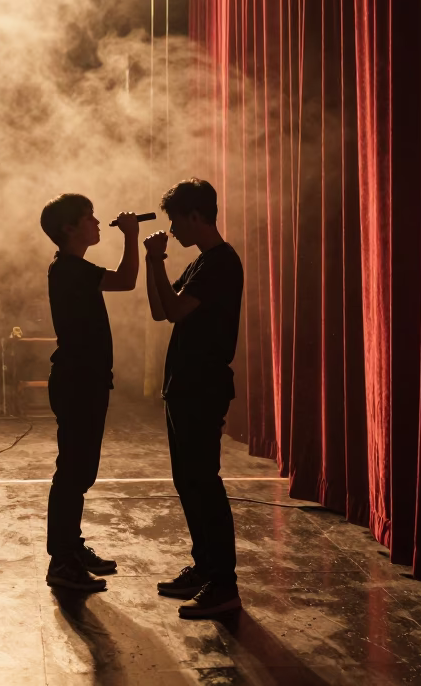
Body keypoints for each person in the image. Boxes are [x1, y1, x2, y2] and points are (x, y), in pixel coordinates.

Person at [143, 178, 244, 618]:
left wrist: (155, 259)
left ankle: (224, 585)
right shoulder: (202, 263)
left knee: (203, 482)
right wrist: (153, 263)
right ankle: (206, 569)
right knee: (190, 482)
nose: (173, 229)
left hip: (202, 386)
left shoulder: (220, 263)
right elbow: (160, 309)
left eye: (176, 219)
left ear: (196, 216)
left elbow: (177, 309)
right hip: (185, 386)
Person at [39, 193, 139, 591]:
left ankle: (71, 547)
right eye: (89, 218)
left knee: (79, 471)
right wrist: (132, 237)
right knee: (74, 472)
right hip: (77, 381)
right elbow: (127, 280)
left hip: (85, 379)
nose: (97, 224)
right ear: (68, 228)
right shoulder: (68, 270)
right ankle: (62, 562)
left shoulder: (73, 268)